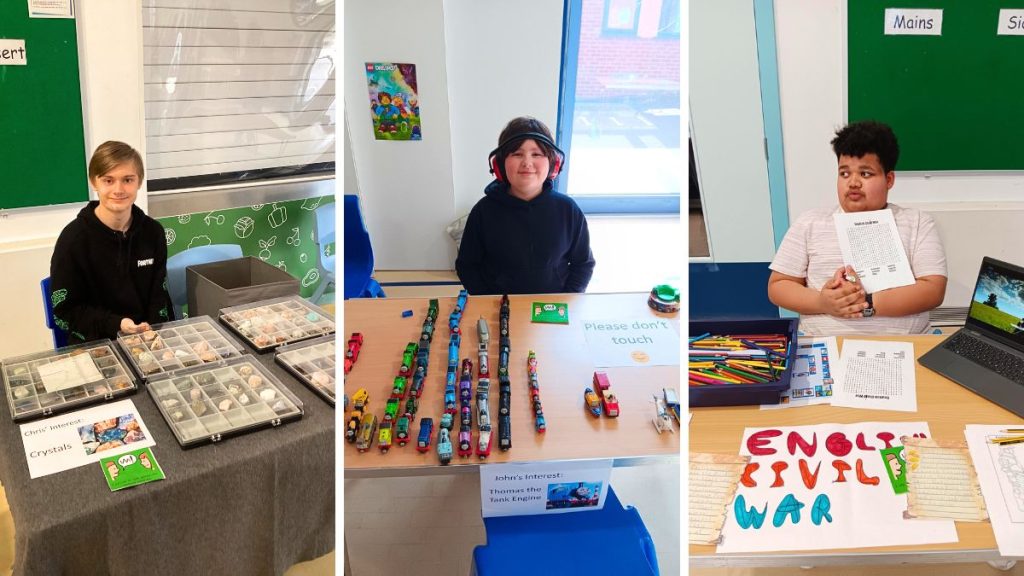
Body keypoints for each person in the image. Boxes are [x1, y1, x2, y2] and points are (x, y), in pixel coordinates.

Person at [767, 121, 946, 335]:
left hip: (906, 344)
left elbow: (933, 290)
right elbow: (778, 285)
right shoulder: (810, 223)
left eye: (866, 174)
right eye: (844, 173)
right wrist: (823, 302)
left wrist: (866, 303)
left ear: (889, 179)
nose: (853, 183)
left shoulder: (916, 222)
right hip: (824, 345)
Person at [50, 141, 173, 343]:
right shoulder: (73, 240)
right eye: (108, 180)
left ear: (139, 181)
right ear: (93, 182)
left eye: (127, 180)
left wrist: (153, 333)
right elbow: (64, 312)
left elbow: (159, 298)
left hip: (147, 339)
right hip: (95, 343)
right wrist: (117, 324)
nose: (118, 189)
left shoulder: (153, 232)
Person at [456, 117, 595, 295]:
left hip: (554, 305)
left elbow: (583, 264)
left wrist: (568, 297)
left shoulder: (568, 210)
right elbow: (467, 266)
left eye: (536, 154)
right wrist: (486, 300)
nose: (527, 163)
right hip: (498, 306)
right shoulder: (483, 211)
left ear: (553, 164)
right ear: (499, 164)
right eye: (517, 154)